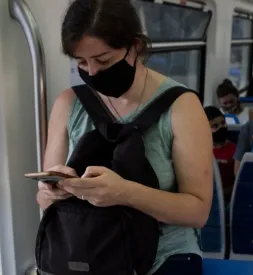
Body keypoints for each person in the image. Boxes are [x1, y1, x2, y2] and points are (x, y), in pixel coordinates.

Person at [37, 0, 213, 274]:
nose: (92, 72)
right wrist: (54, 191)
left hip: (162, 257)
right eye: (81, 62)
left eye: (104, 60)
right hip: (86, 251)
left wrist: (125, 193)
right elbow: (44, 199)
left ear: (135, 47)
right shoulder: (67, 104)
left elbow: (198, 212)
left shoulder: (182, 107)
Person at [204, 106, 236, 204]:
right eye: (215, 126)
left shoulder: (234, 149)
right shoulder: (201, 150)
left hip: (228, 197)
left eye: (223, 123)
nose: (221, 127)